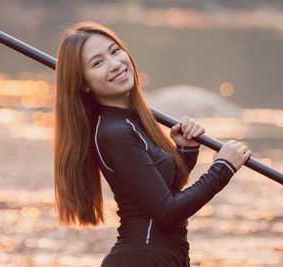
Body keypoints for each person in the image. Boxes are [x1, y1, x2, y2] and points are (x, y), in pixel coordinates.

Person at [53, 21, 251, 267]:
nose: (114, 64)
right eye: (97, 62)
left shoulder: (131, 122)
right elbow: (167, 213)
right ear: (83, 83)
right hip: (144, 259)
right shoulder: (115, 133)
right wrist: (223, 168)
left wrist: (185, 152)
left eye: (115, 51)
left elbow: (160, 191)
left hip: (158, 256)